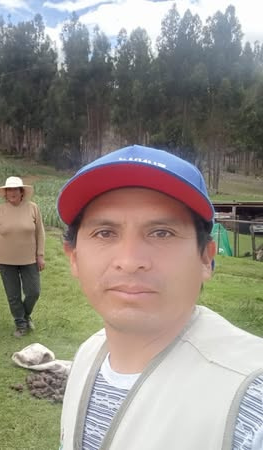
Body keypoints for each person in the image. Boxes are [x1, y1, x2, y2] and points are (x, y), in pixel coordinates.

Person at [57, 145, 263, 450]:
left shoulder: (250, 398)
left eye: (162, 233)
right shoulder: (88, 356)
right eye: (105, 233)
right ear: (74, 257)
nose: (129, 261)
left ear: (206, 258)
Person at [0, 176, 45, 337]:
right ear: (5, 193)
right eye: (9, 190)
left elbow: (40, 233)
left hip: (29, 258)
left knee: (33, 291)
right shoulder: (0, 209)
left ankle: (25, 315)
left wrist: (40, 255)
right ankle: (20, 324)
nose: (12, 193)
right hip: (5, 259)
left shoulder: (33, 208)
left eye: (15, 189)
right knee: (13, 295)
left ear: (22, 192)